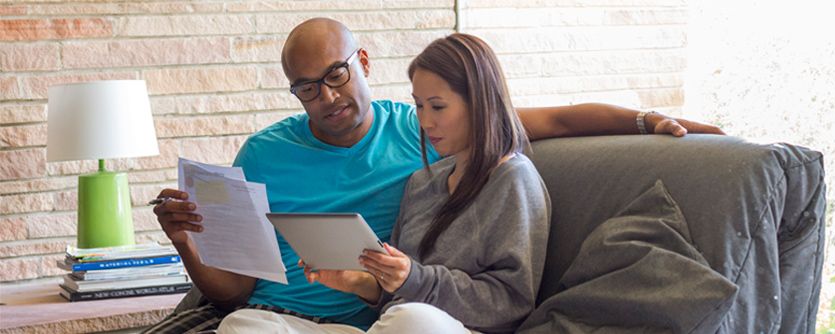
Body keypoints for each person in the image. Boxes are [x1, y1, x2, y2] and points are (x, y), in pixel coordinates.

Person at [145, 18, 725, 333]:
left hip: (404, 318)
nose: (327, 96)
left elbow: (558, 118)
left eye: (337, 75)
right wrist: (186, 241)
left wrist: (651, 119)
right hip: (290, 319)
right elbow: (233, 292)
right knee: (245, 327)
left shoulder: (421, 137)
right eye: (306, 87)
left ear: (362, 65)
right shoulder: (419, 172)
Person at [220, 32, 548, 334]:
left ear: (480, 101)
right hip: (391, 325)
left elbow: (512, 303)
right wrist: (362, 282)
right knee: (243, 324)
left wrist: (413, 279)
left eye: (437, 107)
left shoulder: (513, 179)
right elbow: (396, 297)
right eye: (419, 105)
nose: (424, 121)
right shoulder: (422, 183)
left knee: (414, 320)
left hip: (441, 327)